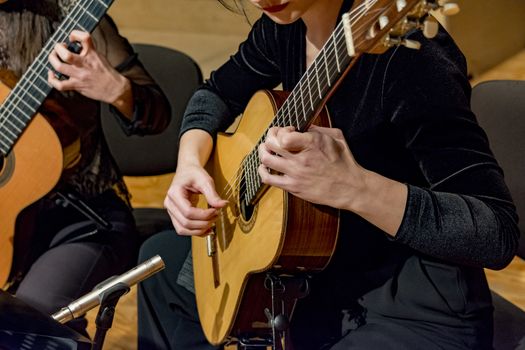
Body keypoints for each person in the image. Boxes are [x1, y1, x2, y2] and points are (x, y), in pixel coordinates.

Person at [137, 0, 520, 349]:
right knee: (160, 263)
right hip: (319, 278)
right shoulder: (284, 22)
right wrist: (188, 161)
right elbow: (216, 94)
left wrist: (356, 188)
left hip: (410, 308)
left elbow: (494, 232)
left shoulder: (413, 58)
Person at [0, 0, 170, 336]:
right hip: (8, 221)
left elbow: (159, 113)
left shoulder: (69, 16)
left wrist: (117, 90)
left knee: (30, 327)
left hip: (79, 219)